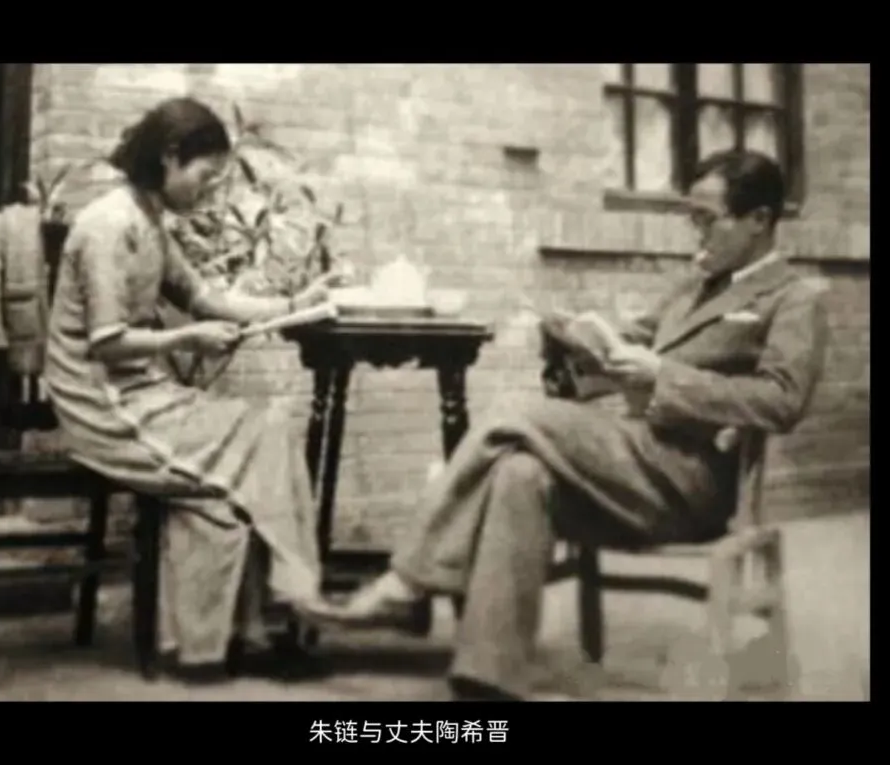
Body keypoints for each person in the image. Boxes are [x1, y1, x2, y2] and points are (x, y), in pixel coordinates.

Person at [300, 149, 830, 700]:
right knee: (519, 474)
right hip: (636, 467)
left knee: (513, 413)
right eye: (691, 219)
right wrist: (573, 346)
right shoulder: (695, 284)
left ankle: (407, 581)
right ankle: (490, 679)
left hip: (695, 482)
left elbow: (782, 401)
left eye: (707, 219)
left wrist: (664, 377)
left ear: (759, 220)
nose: (696, 233)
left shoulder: (795, 298)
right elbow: (624, 351)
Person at [44, 97, 338, 677]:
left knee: (241, 469)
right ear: (170, 155)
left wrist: (293, 305)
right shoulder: (108, 225)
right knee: (258, 444)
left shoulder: (149, 218)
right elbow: (106, 341)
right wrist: (187, 340)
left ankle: (227, 638)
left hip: (140, 392)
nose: (208, 191)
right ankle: (288, 604)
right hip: (100, 403)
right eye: (205, 176)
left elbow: (203, 298)